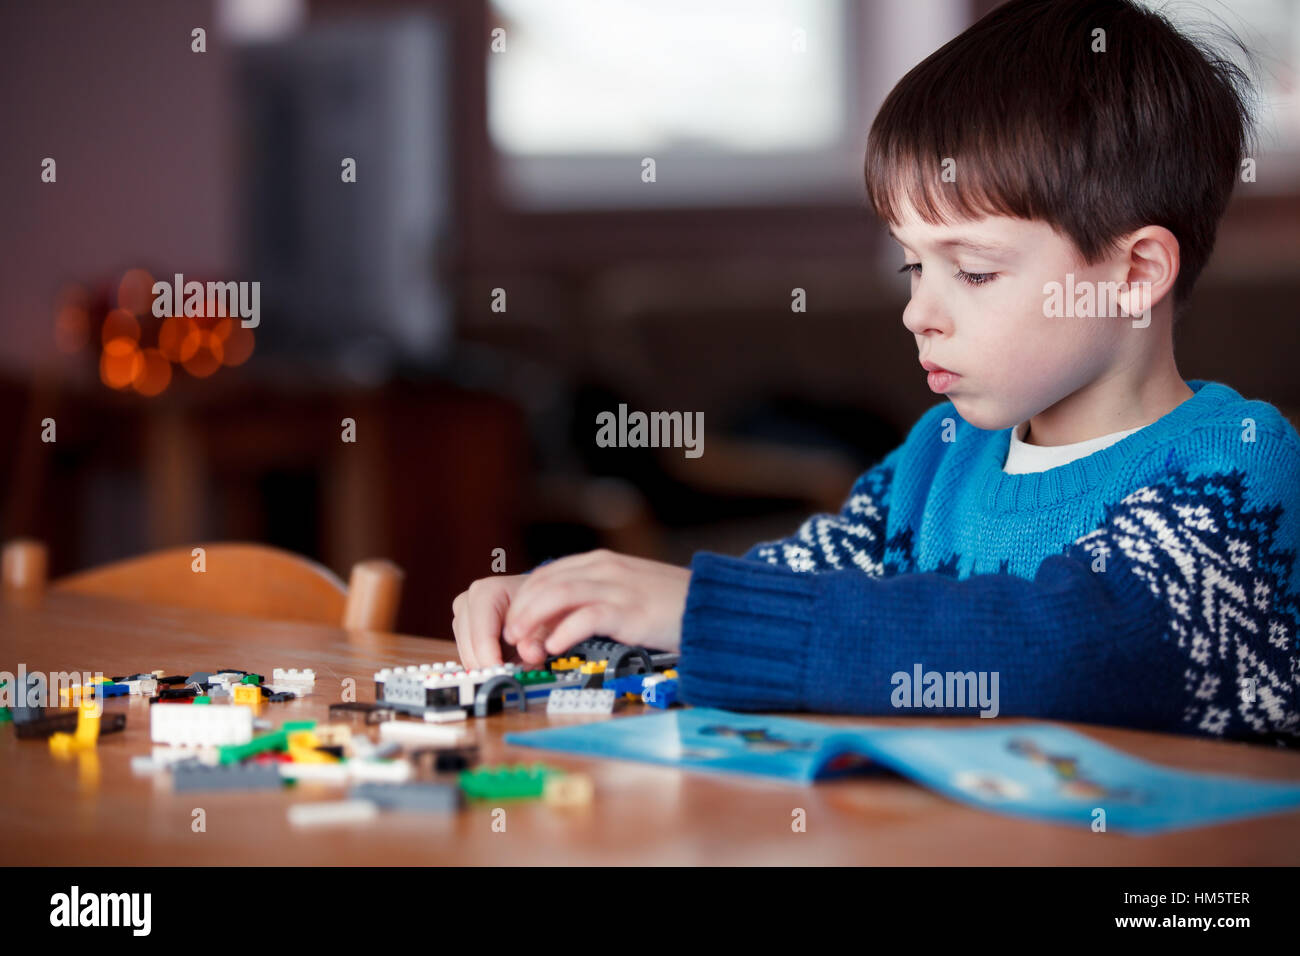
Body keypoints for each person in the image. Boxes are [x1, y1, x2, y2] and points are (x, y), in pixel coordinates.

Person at [452, 0, 1300, 746]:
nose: (918, 313)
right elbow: (797, 592)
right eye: (911, 267)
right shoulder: (938, 458)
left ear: (1133, 274)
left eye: (970, 271)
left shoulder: (1238, 472)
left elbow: (1068, 654)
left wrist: (697, 609)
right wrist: (562, 609)